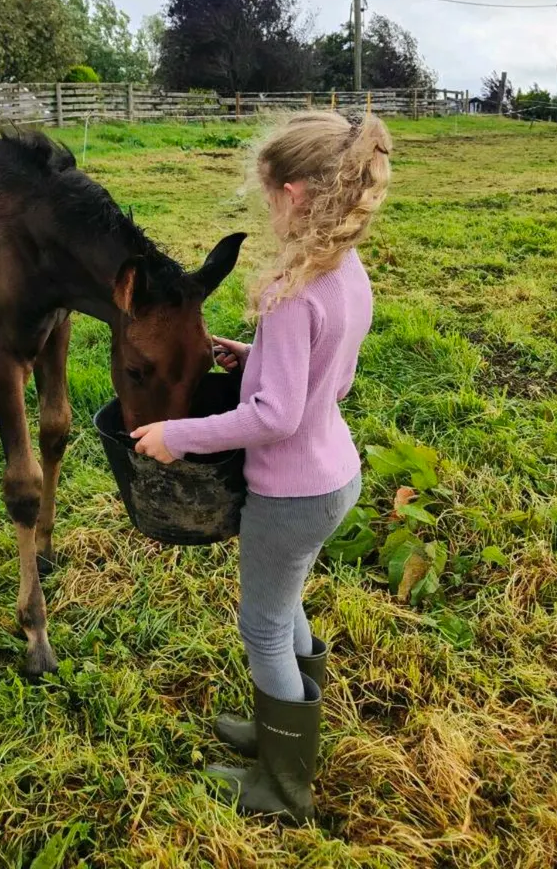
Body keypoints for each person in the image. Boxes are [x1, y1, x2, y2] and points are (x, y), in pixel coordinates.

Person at [131, 109, 392, 822]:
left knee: (265, 627)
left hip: (291, 493)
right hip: (335, 475)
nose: (268, 208)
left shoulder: (288, 292)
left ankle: (283, 784)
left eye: (270, 195)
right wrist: (251, 359)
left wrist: (180, 435)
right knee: (286, 606)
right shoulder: (347, 273)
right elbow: (323, 381)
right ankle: (285, 732)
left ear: (296, 194)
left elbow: (275, 418)